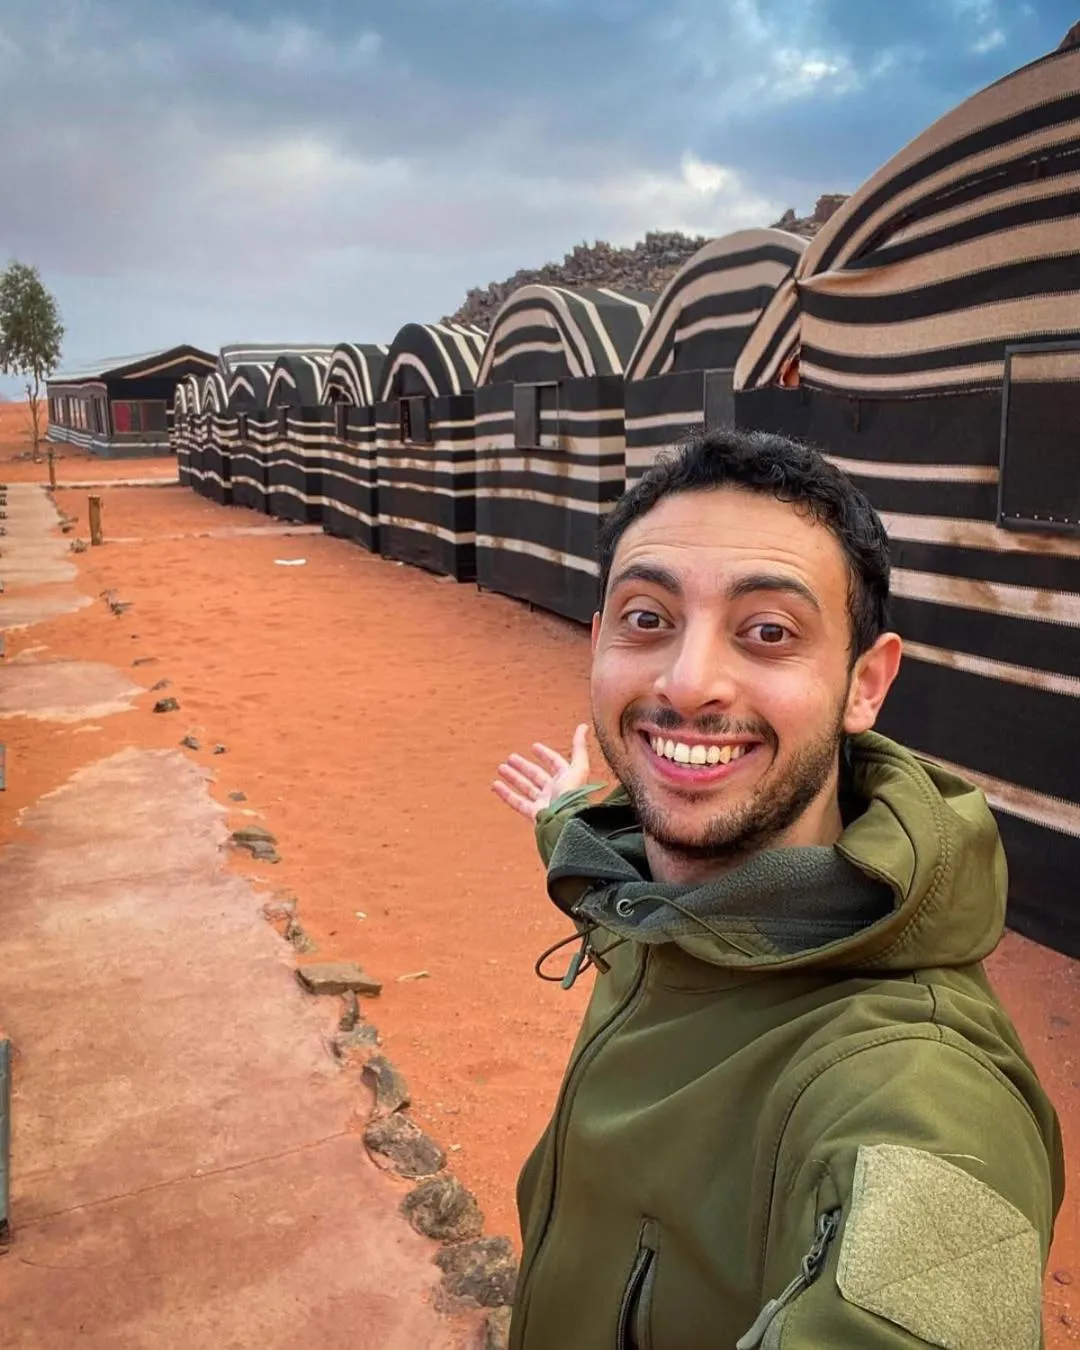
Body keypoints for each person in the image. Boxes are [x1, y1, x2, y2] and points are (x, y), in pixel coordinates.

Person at [492, 428, 1064, 1350]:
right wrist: (563, 814)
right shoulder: (663, 901)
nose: (688, 682)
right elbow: (617, 877)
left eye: (768, 632)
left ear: (865, 684)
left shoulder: (915, 1086)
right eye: (647, 619)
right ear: (598, 646)